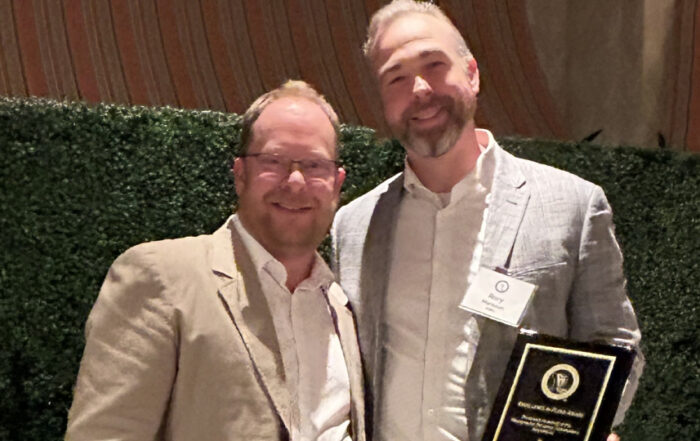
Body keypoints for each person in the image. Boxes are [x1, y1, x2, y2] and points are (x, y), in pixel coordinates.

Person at [330, 2, 644, 441]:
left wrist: (585, 429)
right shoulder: (353, 226)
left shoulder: (573, 205)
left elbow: (614, 346)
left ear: (472, 74)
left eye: (434, 65)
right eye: (395, 77)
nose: (419, 89)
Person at [66, 80, 365, 441]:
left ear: (337, 182)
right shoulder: (161, 277)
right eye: (273, 161)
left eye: (315, 165)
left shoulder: (343, 307)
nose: (296, 181)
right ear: (240, 174)